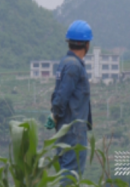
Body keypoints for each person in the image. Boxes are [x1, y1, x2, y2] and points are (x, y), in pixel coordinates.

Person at [47, 20, 93, 183]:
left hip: (65, 128)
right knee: (71, 176)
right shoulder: (74, 66)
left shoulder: (65, 62)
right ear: (87, 44)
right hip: (73, 130)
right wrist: (55, 114)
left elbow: (58, 94)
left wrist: (55, 116)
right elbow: (62, 97)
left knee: (65, 172)